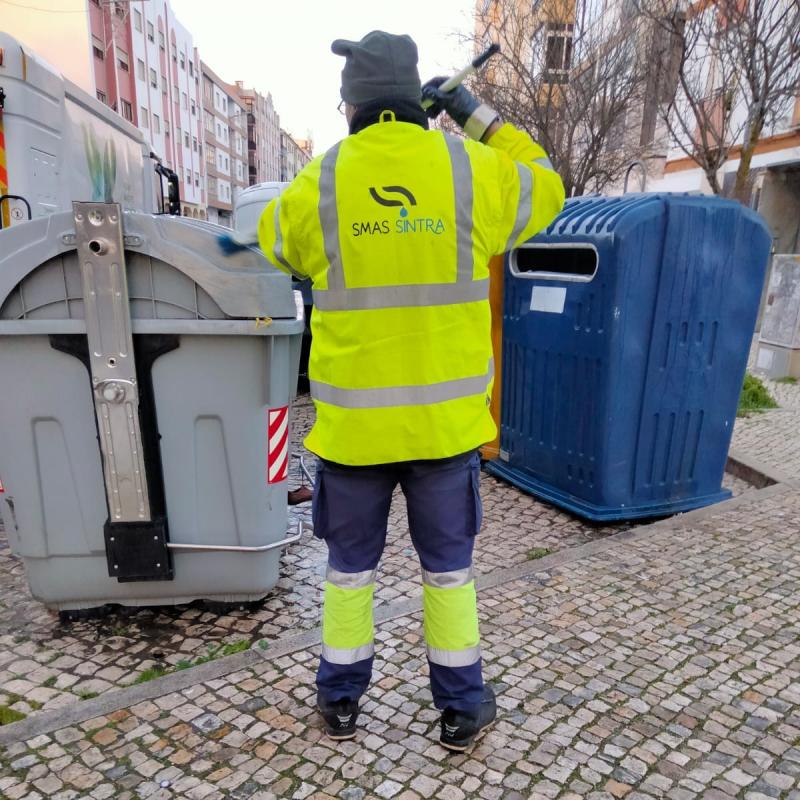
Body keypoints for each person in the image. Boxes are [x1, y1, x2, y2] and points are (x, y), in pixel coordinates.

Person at [256, 30, 564, 751]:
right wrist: (471, 111)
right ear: (418, 97)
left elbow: (272, 237)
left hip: (356, 437)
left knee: (348, 577)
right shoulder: (469, 170)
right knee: (449, 576)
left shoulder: (321, 180)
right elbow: (545, 182)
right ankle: (460, 709)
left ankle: (339, 702)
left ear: (352, 105)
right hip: (442, 435)